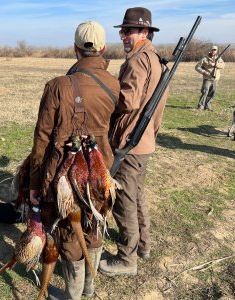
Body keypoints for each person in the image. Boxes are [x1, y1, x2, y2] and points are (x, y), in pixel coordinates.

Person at [29, 21, 119, 299]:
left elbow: (42, 138)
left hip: (65, 172)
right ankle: (89, 289)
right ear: (103, 49)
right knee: (95, 221)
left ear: (75, 48)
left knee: (69, 230)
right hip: (102, 167)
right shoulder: (114, 84)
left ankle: (74, 295)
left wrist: (35, 183)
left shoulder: (58, 86)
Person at [99, 7, 168, 277]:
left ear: (144, 32)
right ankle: (144, 246)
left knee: (123, 201)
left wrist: (104, 100)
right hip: (144, 141)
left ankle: (127, 259)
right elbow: (158, 109)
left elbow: (127, 100)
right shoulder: (156, 59)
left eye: (128, 31)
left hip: (130, 141)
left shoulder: (138, 60)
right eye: (122, 30)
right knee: (136, 195)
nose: (123, 35)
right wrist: (152, 133)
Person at [195, 45, 225, 111]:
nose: (213, 51)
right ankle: (201, 106)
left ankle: (207, 106)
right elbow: (197, 67)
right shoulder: (205, 59)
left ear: (217, 51)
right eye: (212, 50)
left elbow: (223, 65)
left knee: (212, 93)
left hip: (215, 79)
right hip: (207, 79)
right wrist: (204, 72)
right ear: (210, 50)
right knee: (205, 92)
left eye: (215, 50)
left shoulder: (219, 59)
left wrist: (215, 65)